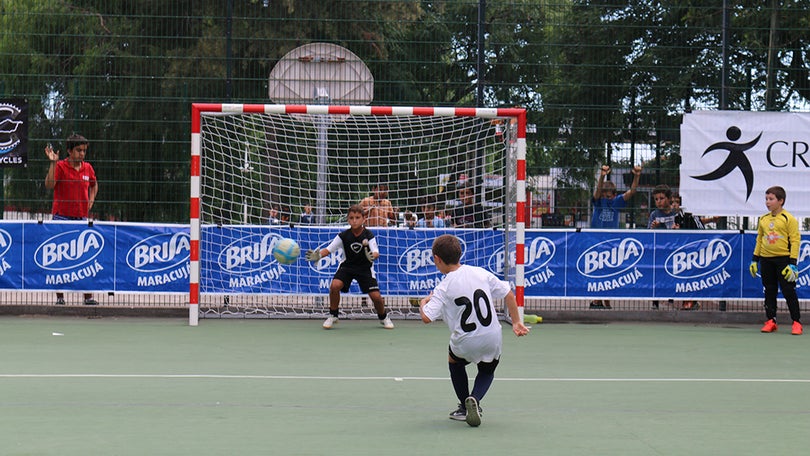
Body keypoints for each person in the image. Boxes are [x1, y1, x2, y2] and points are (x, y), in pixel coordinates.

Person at [419, 234, 529, 427]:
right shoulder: (480, 272)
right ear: (459, 254)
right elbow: (509, 294)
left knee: (454, 361)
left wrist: (423, 302)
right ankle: (475, 399)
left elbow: (427, 317)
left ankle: (463, 406)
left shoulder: (443, 286)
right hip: (492, 336)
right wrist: (517, 322)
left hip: (465, 341)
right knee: (487, 370)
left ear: (437, 259)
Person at [305, 204, 394, 330]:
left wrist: (372, 257)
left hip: (365, 269)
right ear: (348, 219)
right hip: (347, 267)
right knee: (334, 286)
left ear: (363, 219)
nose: (354, 220)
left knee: (376, 297)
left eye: (357, 217)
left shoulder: (368, 235)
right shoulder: (343, 236)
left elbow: (376, 252)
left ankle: (383, 317)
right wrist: (318, 255)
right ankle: (333, 315)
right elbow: (329, 249)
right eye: (351, 218)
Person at [44, 134, 99, 306]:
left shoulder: (88, 168)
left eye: (84, 150)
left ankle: (88, 297)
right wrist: (53, 162)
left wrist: (91, 200)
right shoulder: (60, 166)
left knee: (86, 258)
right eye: (78, 150)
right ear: (69, 151)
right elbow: (49, 185)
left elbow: (94, 184)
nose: (82, 154)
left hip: (81, 219)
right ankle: (60, 297)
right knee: (60, 258)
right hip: (61, 218)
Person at [749, 186, 802, 335]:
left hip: (783, 260)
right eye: (766, 199)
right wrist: (755, 260)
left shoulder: (788, 219)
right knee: (769, 290)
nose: (767, 202)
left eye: (771, 199)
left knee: (788, 291)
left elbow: (795, 241)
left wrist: (792, 263)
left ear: (781, 201)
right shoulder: (763, 219)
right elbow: (759, 240)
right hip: (766, 260)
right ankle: (771, 320)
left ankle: (796, 322)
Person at [589, 164, 641, 309]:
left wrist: (637, 176)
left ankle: (606, 300)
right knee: (597, 270)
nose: (606, 197)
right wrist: (602, 175)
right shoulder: (599, 202)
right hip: (597, 241)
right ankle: (597, 300)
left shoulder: (616, 202)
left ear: (613, 194)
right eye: (604, 195)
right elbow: (597, 192)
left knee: (609, 270)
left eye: (609, 195)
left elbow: (632, 191)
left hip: (612, 242)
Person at [647, 184, 678, 310]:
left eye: (661, 198)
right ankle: (655, 301)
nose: (658, 202)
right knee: (658, 273)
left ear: (669, 198)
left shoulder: (676, 213)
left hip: (673, 248)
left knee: (673, 272)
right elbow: (648, 230)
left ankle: (671, 297)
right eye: (656, 199)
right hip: (659, 249)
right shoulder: (654, 214)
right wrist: (654, 228)